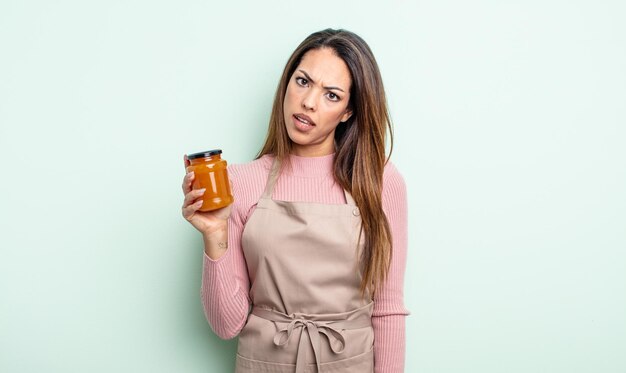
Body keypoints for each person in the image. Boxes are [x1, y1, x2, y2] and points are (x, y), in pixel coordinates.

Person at [181, 28, 409, 373]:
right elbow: (227, 325)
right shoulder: (240, 182)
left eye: (331, 95)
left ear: (349, 111)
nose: (309, 102)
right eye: (303, 82)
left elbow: (388, 307)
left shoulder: (380, 181)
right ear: (287, 84)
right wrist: (215, 234)